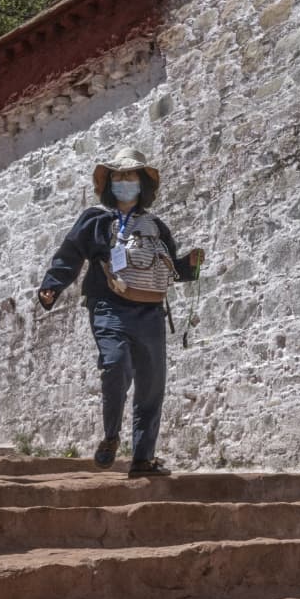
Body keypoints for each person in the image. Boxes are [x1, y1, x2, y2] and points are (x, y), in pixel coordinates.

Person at [36, 148, 205, 477]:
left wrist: (191, 266)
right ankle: (111, 436)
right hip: (108, 306)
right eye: (118, 176)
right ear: (108, 184)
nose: (124, 181)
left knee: (151, 384)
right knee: (116, 367)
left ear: (142, 184)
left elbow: (171, 269)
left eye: (130, 176)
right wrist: (52, 285)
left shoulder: (156, 226)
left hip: (151, 312)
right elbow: (70, 254)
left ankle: (143, 459)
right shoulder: (95, 221)